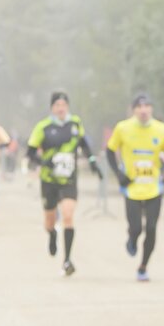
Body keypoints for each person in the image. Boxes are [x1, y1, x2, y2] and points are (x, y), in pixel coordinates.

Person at [26, 91, 102, 277]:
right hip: (49, 180)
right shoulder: (43, 127)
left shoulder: (75, 123)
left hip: (69, 179)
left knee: (68, 215)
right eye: (57, 105)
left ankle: (67, 259)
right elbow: (30, 154)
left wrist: (92, 161)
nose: (61, 108)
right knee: (49, 221)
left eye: (64, 105)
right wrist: (45, 163)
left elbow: (84, 145)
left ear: (67, 107)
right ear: (52, 108)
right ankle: (52, 234)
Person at [105, 94, 164, 282]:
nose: (143, 110)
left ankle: (143, 266)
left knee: (152, 228)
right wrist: (118, 174)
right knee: (136, 227)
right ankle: (132, 238)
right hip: (132, 188)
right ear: (133, 110)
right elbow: (110, 151)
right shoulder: (123, 128)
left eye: (147, 106)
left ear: (151, 109)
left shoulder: (163, 130)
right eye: (139, 107)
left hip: (154, 187)